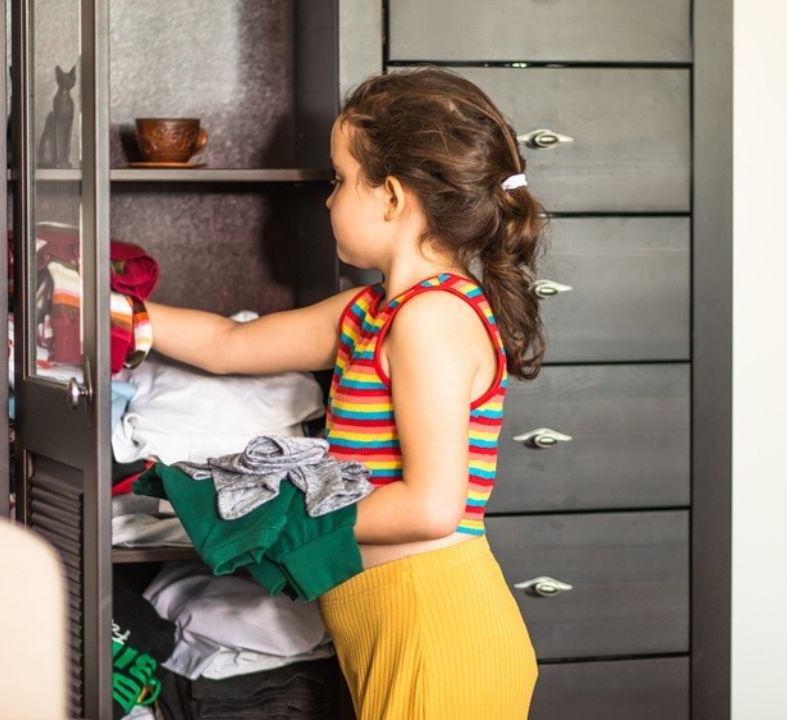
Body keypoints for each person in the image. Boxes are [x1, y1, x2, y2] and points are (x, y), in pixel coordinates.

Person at [145, 67, 545, 719]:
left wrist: (280, 521)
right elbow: (229, 344)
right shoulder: (373, 310)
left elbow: (431, 507)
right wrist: (119, 314)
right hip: (393, 626)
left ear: (389, 197)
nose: (327, 200)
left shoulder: (431, 319)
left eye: (337, 179)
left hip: (432, 633)